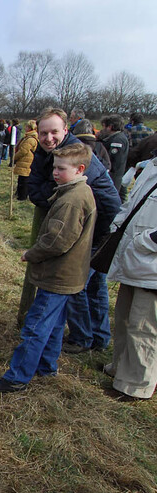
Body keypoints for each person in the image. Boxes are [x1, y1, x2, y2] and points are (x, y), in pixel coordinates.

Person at [0, 144, 97, 392]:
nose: (55, 172)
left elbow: (57, 241)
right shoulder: (80, 191)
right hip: (69, 275)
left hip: (57, 276)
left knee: (35, 327)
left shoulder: (72, 200)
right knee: (55, 325)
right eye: (54, 167)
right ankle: (47, 367)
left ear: (79, 169)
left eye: (61, 168)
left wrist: (30, 254)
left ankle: (17, 377)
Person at [27, 107, 121, 355]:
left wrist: (96, 238)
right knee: (93, 283)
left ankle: (82, 338)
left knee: (74, 282)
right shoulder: (45, 152)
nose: (48, 138)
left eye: (54, 132)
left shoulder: (77, 155)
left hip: (99, 226)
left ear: (66, 130)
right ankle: (98, 338)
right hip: (85, 224)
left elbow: (59, 194)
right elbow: (34, 188)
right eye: (43, 133)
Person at [102, 155, 157, 401]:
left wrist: (146, 242)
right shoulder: (150, 167)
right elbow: (132, 203)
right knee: (124, 318)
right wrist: (118, 224)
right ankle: (120, 369)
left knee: (143, 327)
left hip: (152, 265)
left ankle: (136, 385)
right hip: (135, 261)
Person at [98, 114, 129, 198]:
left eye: (104, 126)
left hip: (113, 176)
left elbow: (115, 160)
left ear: (110, 127)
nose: (103, 129)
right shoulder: (116, 137)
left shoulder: (117, 140)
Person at [13, 120, 38, 200]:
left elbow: (23, 150)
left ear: (30, 128)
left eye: (26, 126)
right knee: (21, 179)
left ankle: (22, 196)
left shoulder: (30, 139)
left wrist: (15, 157)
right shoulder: (27, 137)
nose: (25, 128)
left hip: (26, 161)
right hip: (24, 161)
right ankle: (19, 194)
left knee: (24, 180)